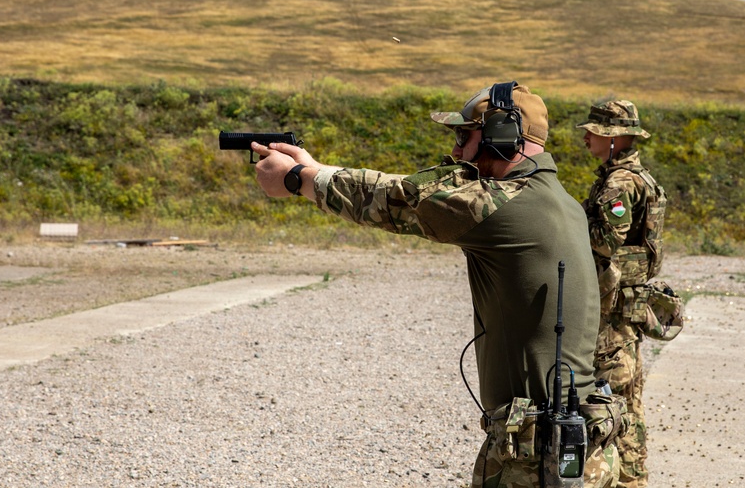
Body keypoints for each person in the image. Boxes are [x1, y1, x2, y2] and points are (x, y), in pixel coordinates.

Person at [251, 82, 625, 488]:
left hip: (537, 458)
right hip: (580, 442)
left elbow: (397, 199)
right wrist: (314, 168)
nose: (457, 151)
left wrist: (298, 180)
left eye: (465, 136)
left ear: (503, 135)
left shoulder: (504, 204)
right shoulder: (562, 203)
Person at [578, 100, 676, 488]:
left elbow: (604, 240)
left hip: (613, 312)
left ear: (616, 139)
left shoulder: (620, 184)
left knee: (616, 404)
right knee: (627, 402)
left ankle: (626, 481)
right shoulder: (634, 177)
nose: (587, 137)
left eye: (596, 132)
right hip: (623, 307)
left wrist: (565, 226)